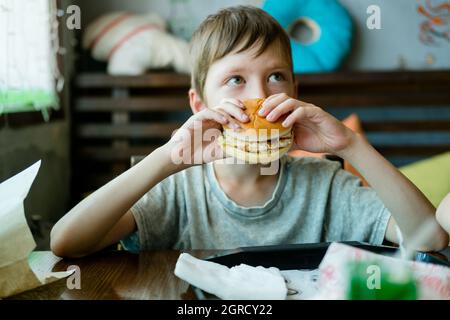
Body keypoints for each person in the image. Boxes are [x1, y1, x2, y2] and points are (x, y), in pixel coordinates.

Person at [50, 6, 448, 258]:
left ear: (294, 93)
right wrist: (166, 159)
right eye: (236, 80)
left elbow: (430, 238)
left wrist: (351, 145)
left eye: (276, 77)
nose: (260, 96)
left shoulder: (326, 186)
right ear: (199, 105)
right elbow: (65, 242)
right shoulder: (178, 191)